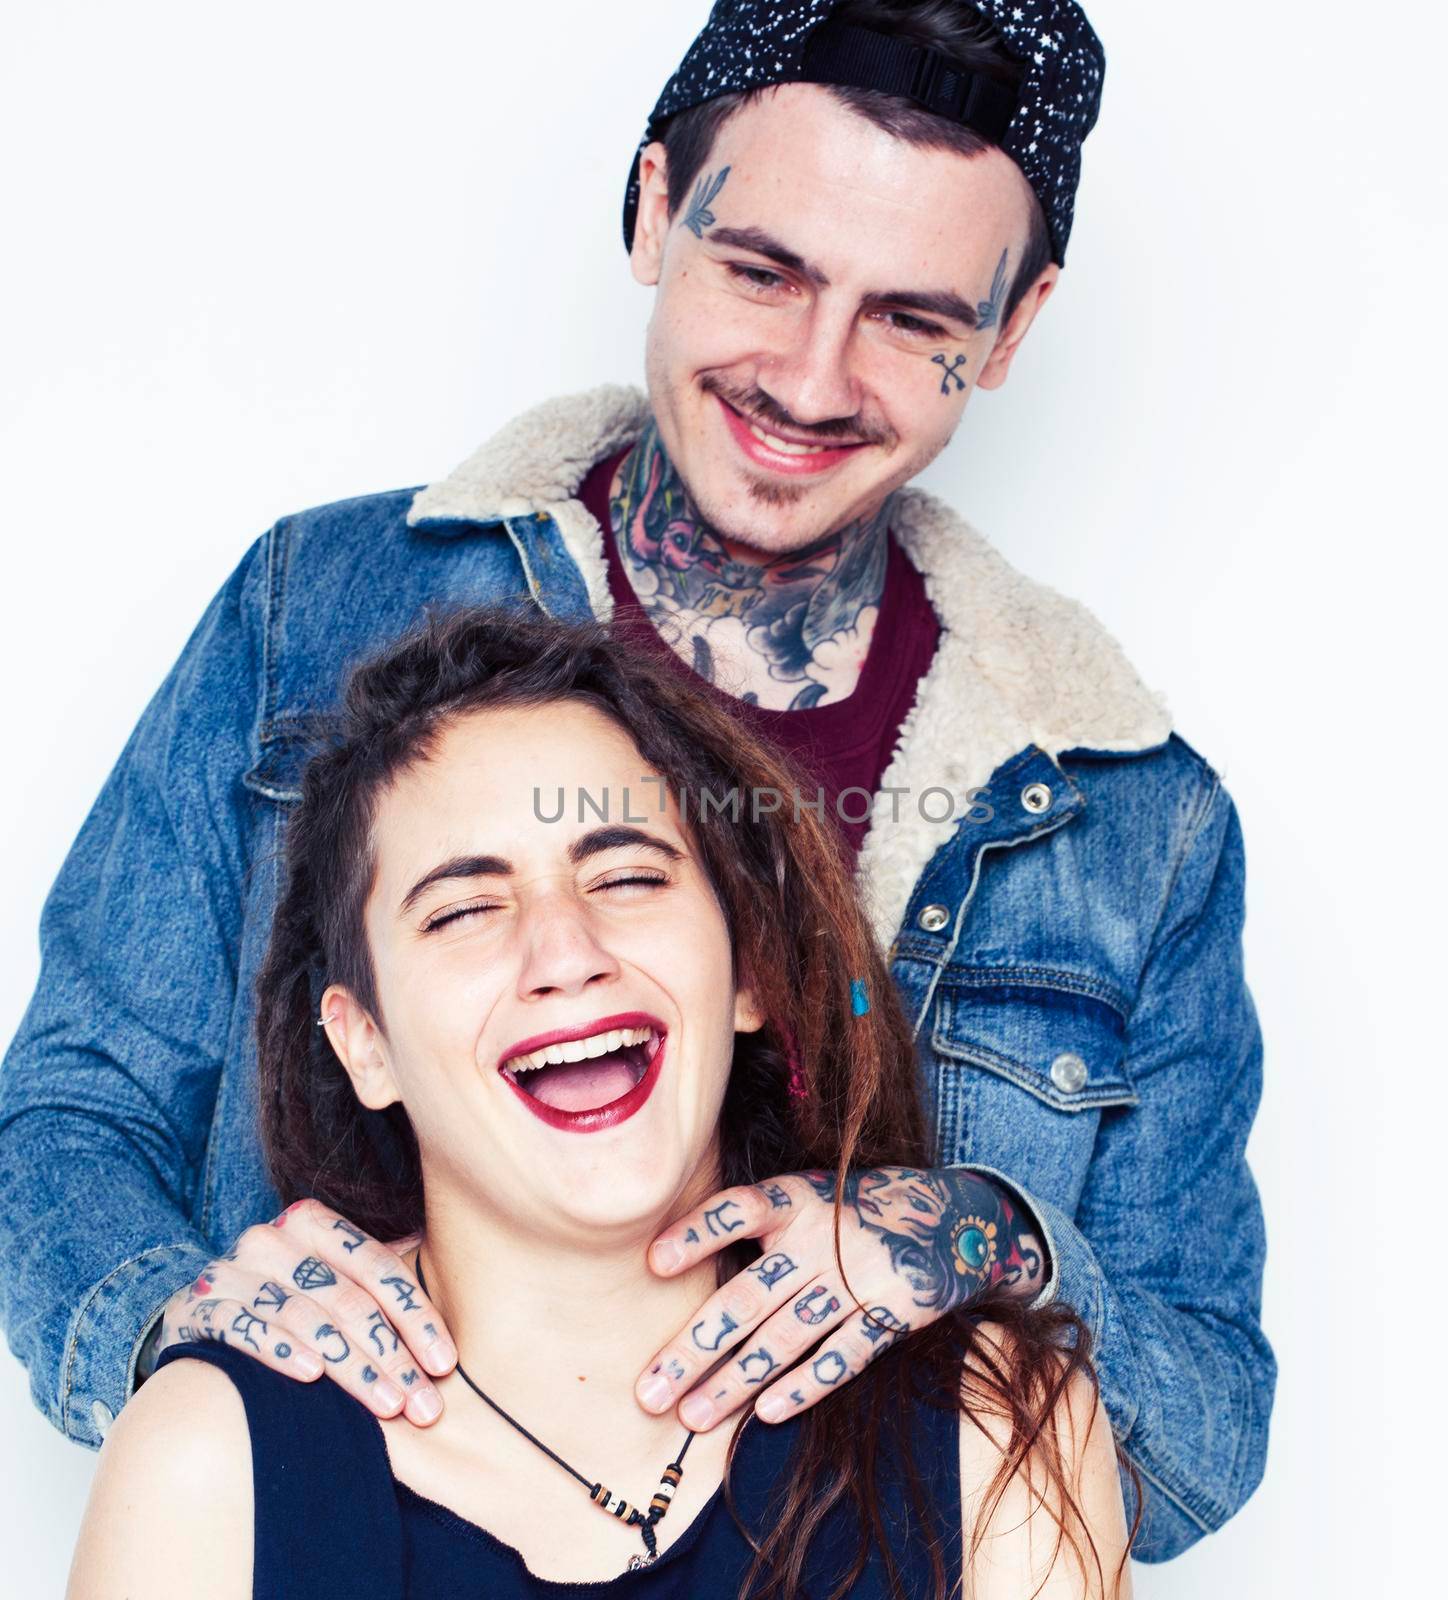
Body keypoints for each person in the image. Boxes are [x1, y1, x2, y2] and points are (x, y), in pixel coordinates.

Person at [0, 0, 1272, 1561]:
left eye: (912, 319)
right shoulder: (310, 615)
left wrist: (981, 1236)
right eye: (762, 270)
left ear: (1008, 332)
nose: (810, 379)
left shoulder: (1123, 814)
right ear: (655, 204)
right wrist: (194, 1357)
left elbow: (1198, 1431)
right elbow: (74, 1109)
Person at [66, 607, 1132, 1598]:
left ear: (749, 969)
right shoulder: (206, 1457)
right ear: (366, 1043)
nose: (565, 953)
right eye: (465, 908)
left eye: (625, 876)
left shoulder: (992, 1422)